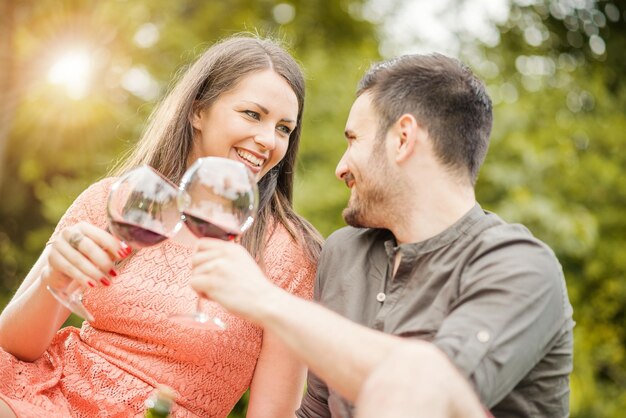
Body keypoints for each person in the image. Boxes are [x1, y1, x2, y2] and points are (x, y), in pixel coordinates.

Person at [186, 53, 574, 417]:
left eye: (353, 139)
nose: (341, 167)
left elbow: (432, 395)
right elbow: (319, 410)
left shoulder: (520, 268)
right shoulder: (343, 253)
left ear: (403, 138)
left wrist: (265, 299)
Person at [0, 35, 323, 417]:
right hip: (46, 398)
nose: (268, 140)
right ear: (197, 112)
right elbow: (13, 348)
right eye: (252, 114)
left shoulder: (291, 253)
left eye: (284, 128)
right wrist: (51, 278)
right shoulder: (117, 199)